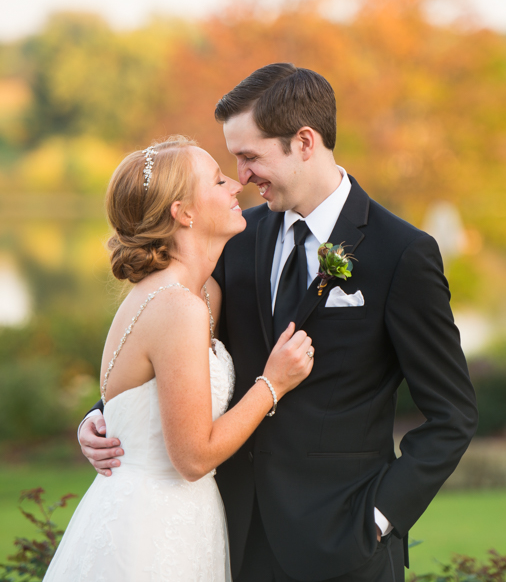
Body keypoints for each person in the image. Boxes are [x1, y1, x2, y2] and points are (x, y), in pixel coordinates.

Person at [80, 64, 479, 581]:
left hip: (345, 548)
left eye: (250, 157)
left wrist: (379, 519)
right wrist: (107, 413)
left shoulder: (400, 253)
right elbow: (171, 339)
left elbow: (453, 415)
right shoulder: (234, 241)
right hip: (233, 537)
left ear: (305, 142)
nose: (241, 177)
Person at [46, 136, 316, 581]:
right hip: (151, 528)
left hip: (184, 516)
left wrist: (94, 419)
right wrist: (273, 384)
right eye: (217, 180)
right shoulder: (178, 307)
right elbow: (192, 458)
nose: (236, 184)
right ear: (183, 212)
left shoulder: (201, 293)